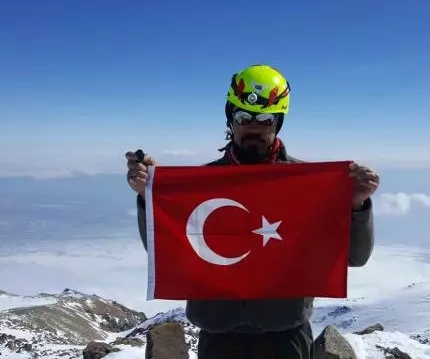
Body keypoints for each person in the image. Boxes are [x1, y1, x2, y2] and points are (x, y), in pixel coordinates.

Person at [125, 64, 379, 359]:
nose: (254, 128)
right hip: (219, 337)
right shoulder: (199, 186)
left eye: (265, 119)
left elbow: (355, 257)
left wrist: (358, 205)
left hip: (287, 337)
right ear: (231, 119)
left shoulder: (309, 187)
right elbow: (165, 249)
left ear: (278, 122)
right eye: (244, 117)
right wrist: (151, 195)